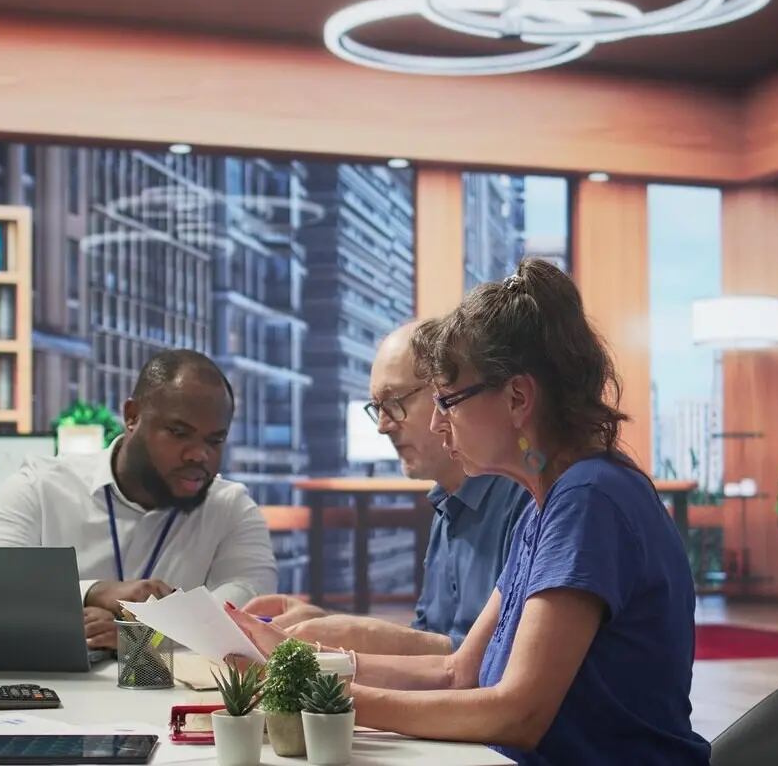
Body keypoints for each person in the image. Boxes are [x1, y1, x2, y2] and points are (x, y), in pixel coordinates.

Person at [226, 258, 710, 766]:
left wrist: (329, 699)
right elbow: (458, 671)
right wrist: (301, 660)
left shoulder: (589, 499)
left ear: (518, 397)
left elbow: (516, 713)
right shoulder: (547, 505)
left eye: (449, 401)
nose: (437, 423)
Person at [242, 321, 532, 654]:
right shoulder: (446, 504)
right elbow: (427, 640)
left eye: (394, 402)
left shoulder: (527, 501)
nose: (383, 426)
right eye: (377, 408)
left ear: (448, 393)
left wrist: (356, 633)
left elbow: (501, 664)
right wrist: (327, 625)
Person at [0, 349, 278, 650]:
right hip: (52, 698)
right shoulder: (40, 487)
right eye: (179, 432)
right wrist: (92, 592)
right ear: (132, 416)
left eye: (215, 441)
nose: (199, 454)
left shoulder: (232, 509)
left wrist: (142, 638)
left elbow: (248, 611)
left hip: (171, 701)